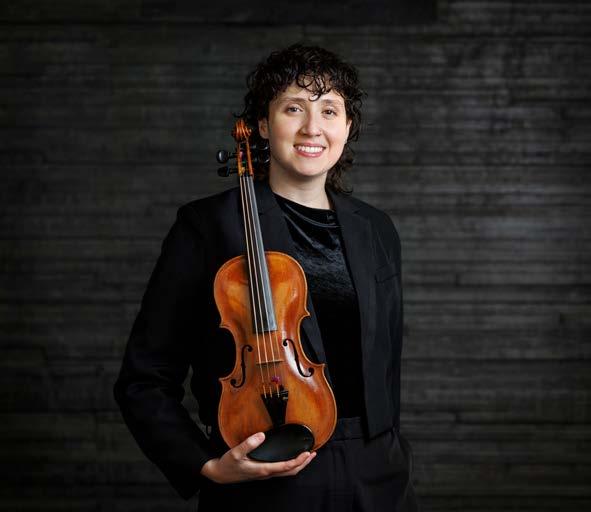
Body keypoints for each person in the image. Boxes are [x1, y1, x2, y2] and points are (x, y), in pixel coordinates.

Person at [114, 43, 419, 511]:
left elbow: (386, 365)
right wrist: (206, 465)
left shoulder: (377, 229)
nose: (312, 127)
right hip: (265, 478)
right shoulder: (209, 226)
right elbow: (145, 377)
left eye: (329, 110)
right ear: (262, 124)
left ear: (347, 127)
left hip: (377, 476)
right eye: (293, 108)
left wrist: (390, 457)